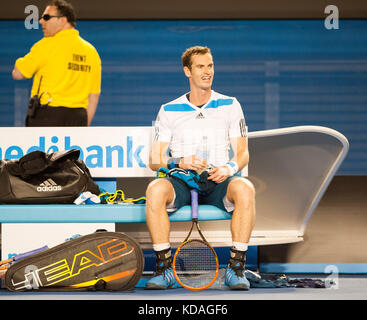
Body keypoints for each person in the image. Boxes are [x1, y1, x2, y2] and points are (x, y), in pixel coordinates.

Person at [145, 46, 256, 290]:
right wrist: (178, 162)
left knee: (245, 188)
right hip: (182, 181)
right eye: (200, 67)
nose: (207, 72)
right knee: (155, 190)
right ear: (187, 71)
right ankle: (164, 269)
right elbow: (154, 159)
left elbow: (243, 153)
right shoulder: (168, 109)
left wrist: (229, 167)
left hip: (219, 180)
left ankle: (236, 269)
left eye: (210, 66)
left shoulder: (230, 104)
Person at [12, 0, 101, 126]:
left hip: (47, 117)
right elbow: (94, 96)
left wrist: (20, 62)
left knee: (43, 146)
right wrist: (84, 126)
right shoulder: (91, 52)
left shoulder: (46, 45)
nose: (41, 21)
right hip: (78, 117)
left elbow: (18, 74)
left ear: (63, 20)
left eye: (46, 17)